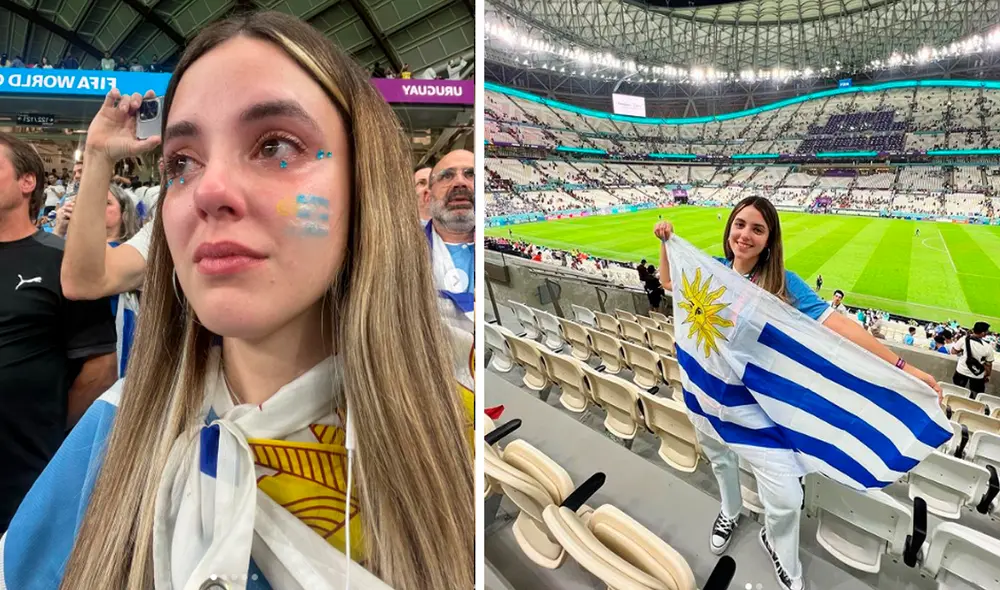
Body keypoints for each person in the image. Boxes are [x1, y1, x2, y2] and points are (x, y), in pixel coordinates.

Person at [2, 12, 472, 590]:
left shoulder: (462, 428)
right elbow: (83, 278)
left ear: (364, 184)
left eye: (276, 145)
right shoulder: (107, 440)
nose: (210, 190)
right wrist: (98, 157)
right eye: (182, 162)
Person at [653, 196, 941, 590]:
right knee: (720, 462)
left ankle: (777, 545)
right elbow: (669, 283)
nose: (745, 235)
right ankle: (730, 509)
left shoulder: (783, 284)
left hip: (756, 408)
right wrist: (666, 243)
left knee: (787, 497)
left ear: (770, 238)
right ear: (729, 229)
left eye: (757, 228)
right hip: (706, 396)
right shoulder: (713, 271)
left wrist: (903, 366)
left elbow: (839, 326)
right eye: (740, 225)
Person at [0, 132, 117, 534]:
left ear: (27, 182)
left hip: (28, 472)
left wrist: (54, 432)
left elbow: (99, 368)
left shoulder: (61, 261)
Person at [426, 149, 474, 334]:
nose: (460, 182)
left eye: (471, 174)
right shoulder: (397, 254)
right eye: (447, 176)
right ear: (428, 196)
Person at [952, 321, 994, 397]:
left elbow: (953, 351)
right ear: (983, 333)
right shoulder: (988, 347)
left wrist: (962, 350)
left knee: (957, 391)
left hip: (961, 371)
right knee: (977, 394)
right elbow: (988, 364)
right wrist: (988, 375)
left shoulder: (963, 339)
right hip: (977, 375)